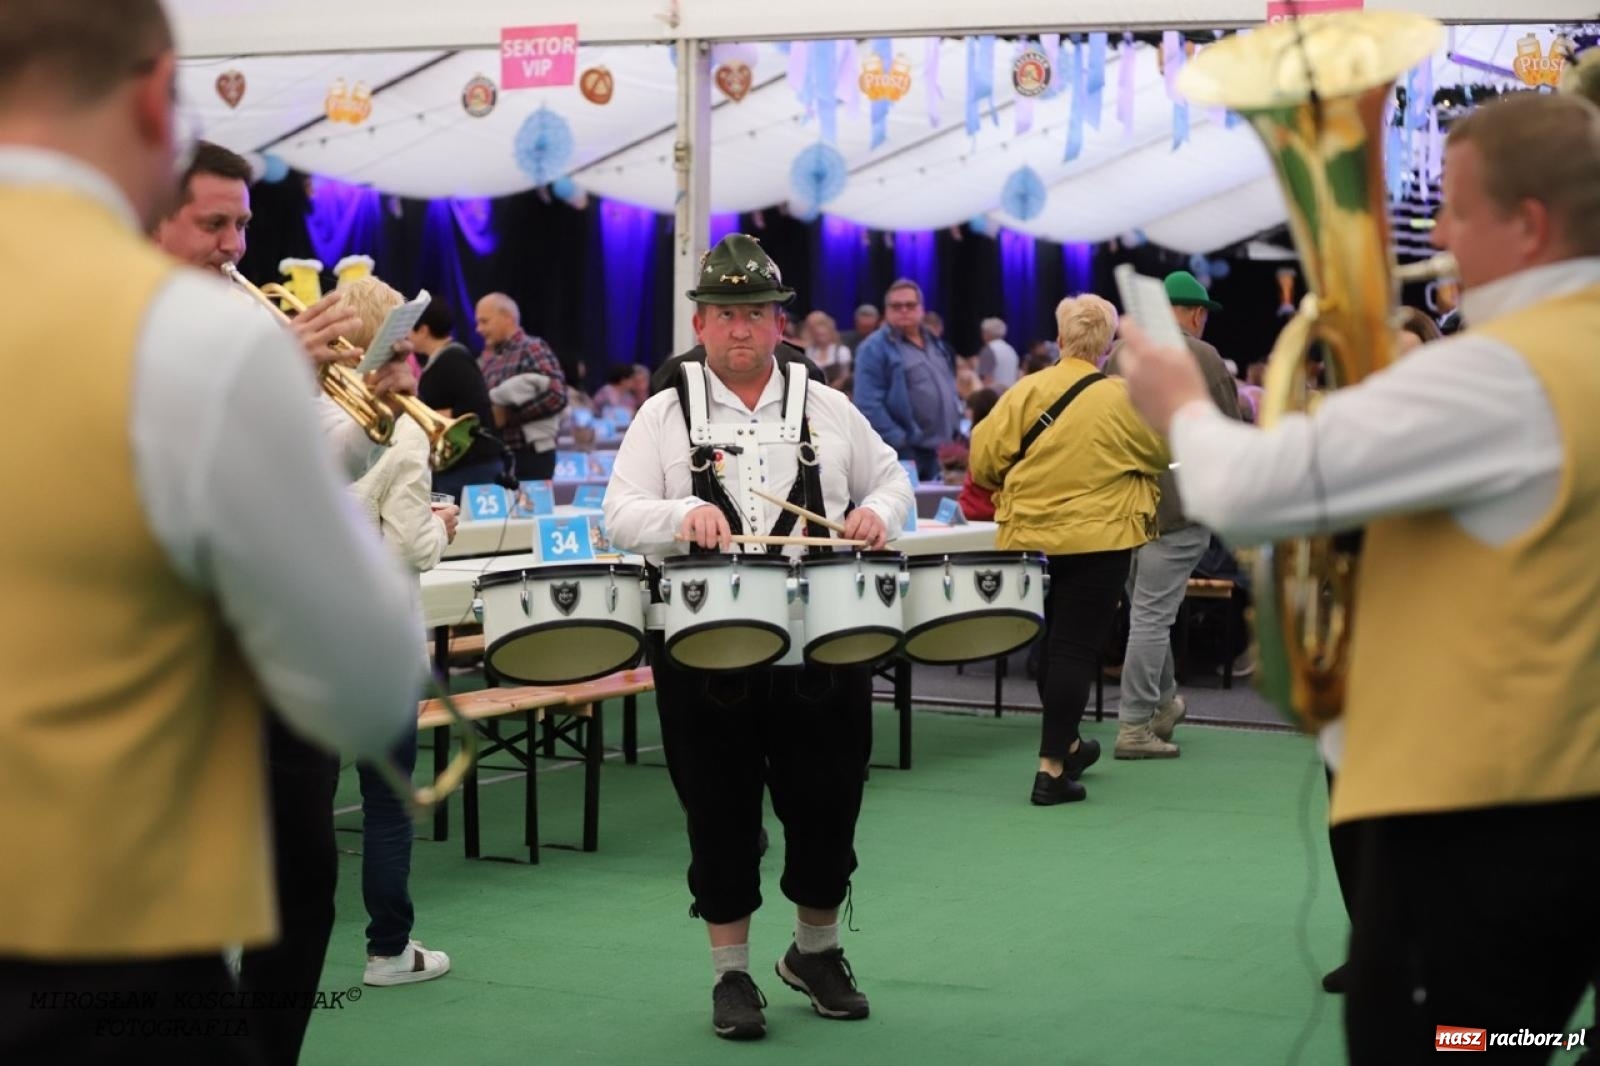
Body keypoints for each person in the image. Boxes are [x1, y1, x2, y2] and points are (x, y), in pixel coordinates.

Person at [1116, 92, 1600, 1064]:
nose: (1436, 235)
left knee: (1435, 1042)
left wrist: (1178, 403)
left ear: (1528, 224)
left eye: (1456, 210)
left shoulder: (1503, 370)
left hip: (1473, 817)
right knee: (1518, 1033)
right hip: (1563, 793)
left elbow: (1248, 490)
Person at [0, 3, 424, 1063]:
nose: (237, 247)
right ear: (154, 100)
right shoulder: (197, 342)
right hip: (104, 914)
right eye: (217, 224)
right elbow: (372, 681)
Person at [152, 138, 426, 1063]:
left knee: (303, 879)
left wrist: (369, 413)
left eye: (243, 222)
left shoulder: (236, 305)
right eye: (213, 223)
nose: (236, 245)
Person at [604, 234, 913, 1043]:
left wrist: (878, 512)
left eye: (757, 313)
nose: (741, 329)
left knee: (829, 800)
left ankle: (816, 953)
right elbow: (619, 512)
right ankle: (731, 975)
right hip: (706, 652)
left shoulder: (830, 404)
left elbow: (893, 478)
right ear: (700, 324)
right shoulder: (663, 411)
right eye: (726, 314)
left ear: (780, 324)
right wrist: (680, 515)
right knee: (719, 806)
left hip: (822, 646)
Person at [968, 295, 1168, 806]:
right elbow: (1164, 449)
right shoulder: (1124, 398)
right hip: (1101, 537)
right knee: (1075, 650)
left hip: (1030, 536)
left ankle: (1070, 745)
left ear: (1061, 338)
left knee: (1056, 646)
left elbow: (983, 461)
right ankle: (1051, 770)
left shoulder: (1024, 391)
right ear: (1107, 345)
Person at [336, 277, 457, 989]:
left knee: (291, 802)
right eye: (406, 348)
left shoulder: (310, 409)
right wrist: (441, 526)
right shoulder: (400, 426)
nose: (414, 365)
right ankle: (388, 951)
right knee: (385, 801)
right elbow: (412, 546)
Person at [1102, 271, 1242, 759]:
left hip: (1123, 507)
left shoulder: (1119, 354)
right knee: (1151, 618)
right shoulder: (1203, 357)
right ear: (1197, 314)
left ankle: (1162, 704)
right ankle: (1135, 725)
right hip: (1180, 506)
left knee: (1144, 612)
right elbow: (1231, 432)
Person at [854, 278, 963, 481]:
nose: (904, 310)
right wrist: (901, 442)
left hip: (944, 451)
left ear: (921, 309)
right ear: (886, 311)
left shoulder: (936, 343)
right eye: (896, 306)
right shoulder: (873, 348)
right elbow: (867, 404)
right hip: (906, 452)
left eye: (910, 305)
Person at [410, 298, 504, 500]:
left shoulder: (454, 359)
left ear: (424, 330)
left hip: (471, 467)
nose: (406, 336)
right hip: (459, 465)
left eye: (409, 329)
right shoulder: (443, 359)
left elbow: (477, 407)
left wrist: (434, 416)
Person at [475, 292, 567, 481]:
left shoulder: (531, 348)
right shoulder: (489, 358)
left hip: (532, 457)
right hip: (502, 456)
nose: (478, 329)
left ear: (507, 318)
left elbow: (557, 396)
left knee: (531, 511)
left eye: (484, 321)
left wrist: (508, 416)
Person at [977, 317, 1020, 390]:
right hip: (1010, 393)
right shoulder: (1011, 350)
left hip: (993, 395)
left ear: (987, 333)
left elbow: (986, 379)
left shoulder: (989, 350)